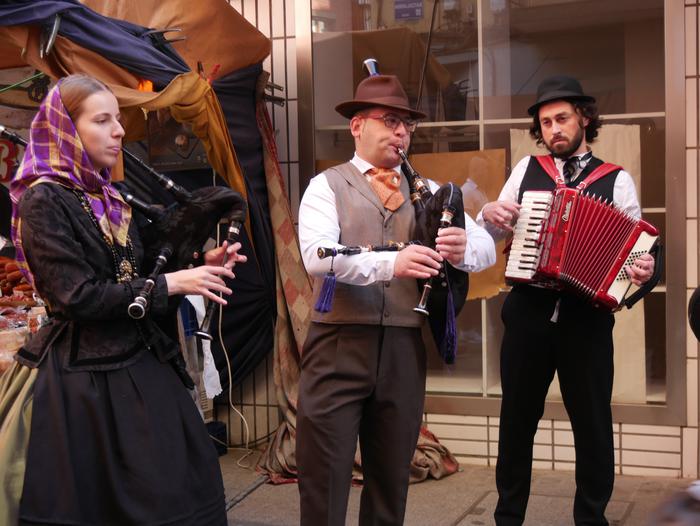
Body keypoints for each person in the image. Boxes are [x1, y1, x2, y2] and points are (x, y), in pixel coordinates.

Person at [0, 74, 246, 525]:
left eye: (117, 119)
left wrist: (198, 262)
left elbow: (133, 272)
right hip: (83, 385)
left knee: (174, 493)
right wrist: (172, 285)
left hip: (141, 362)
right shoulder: (43, 200)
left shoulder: (106, 195)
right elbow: (75, 296)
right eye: (102, 120)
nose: (118, 131)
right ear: (66, 128)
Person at [296, 72, 496, 525]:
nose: (401, 132)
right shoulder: (327, 185)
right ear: (357, 126)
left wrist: (464, 248)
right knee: (324, 478)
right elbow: (318, 256)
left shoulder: (429, 192)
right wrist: (393, 262)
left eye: (407, 124)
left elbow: (485, 248)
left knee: (391, 481)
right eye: (389, 121)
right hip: (338, 345)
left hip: (404, 348)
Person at [477, 75, 656, 526]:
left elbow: (637, 251)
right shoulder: (526, 169)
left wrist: (643, 270)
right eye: (546, 122)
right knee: (516, 422)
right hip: (528, 313)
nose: (554, 129)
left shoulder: (616, 180)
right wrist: (487, 214)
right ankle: (508, 517)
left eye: (562, 118)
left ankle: (591, 519)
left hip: (586, 319)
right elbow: (491, 233)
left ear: (584, 118)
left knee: (592, 425)